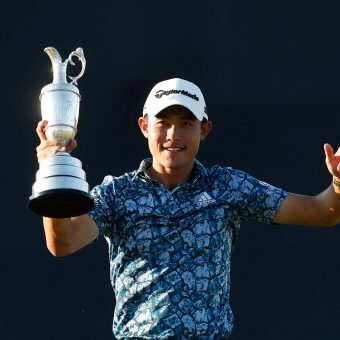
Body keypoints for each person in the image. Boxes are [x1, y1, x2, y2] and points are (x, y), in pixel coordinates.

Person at [36, 78, 340, 339]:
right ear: (144, 126)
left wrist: (338, 184)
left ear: (204, 129)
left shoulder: (227, 186)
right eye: (163, 122)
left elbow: (320, 212)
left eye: (186, 123)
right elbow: (63, 242)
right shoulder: (117, 193)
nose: (173, 135)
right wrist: (52, 174)